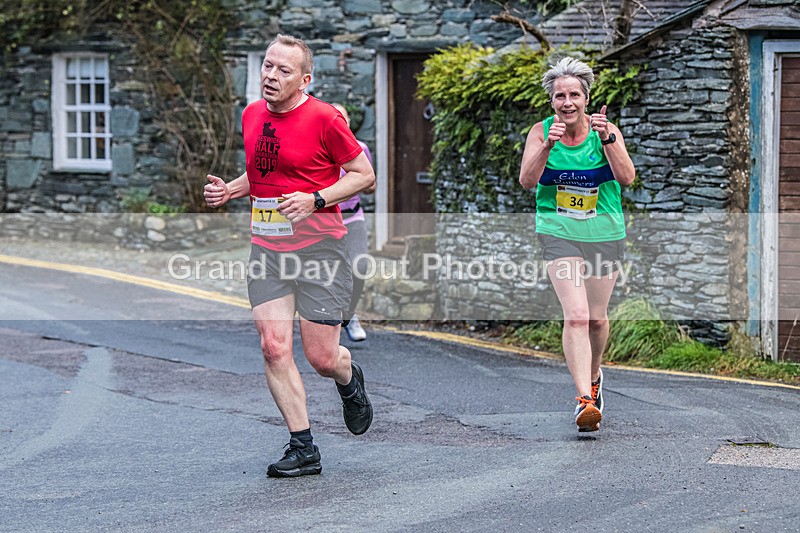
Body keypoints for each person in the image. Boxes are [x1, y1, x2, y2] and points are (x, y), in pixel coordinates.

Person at [203, 34, 376, 477]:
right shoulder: (251, 114)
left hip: (320, 248)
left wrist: (316, 199)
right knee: (273, 346)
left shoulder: (324, 118)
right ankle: (304, 447)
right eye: (267, 65)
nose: (271, 75)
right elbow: (264, 170)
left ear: (305, 79)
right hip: (267, 248)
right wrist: (231, 189)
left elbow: (363, 174)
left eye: (283, 70)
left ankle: (348, 378)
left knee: (322, 358)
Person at [518, 57, 635, 432]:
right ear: (551, 101)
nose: (566, 103)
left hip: (603, 232)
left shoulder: (605, 131)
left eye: (574, 95)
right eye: (559, 96)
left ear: (586, 98)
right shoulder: (541, 132)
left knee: (598, 318)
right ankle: (585, 399)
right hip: (558, 232)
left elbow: (627, 177)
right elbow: (527, 181)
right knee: (577, 315)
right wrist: (547, 147)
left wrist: (608, 138)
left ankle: (595, 374)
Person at [331, 103, 374, 342]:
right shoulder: (319, 152)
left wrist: (358, 184)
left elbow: (371, 184)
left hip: (352, 217)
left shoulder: (360, 149)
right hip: (325, 221)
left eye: (343, 119)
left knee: (359, 267)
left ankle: (349, 315)